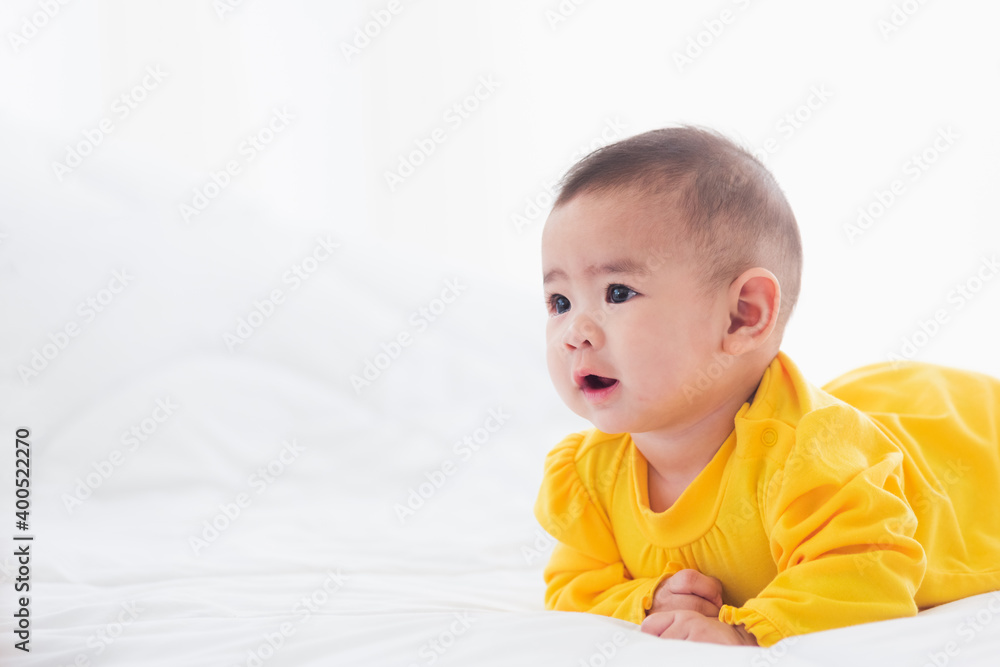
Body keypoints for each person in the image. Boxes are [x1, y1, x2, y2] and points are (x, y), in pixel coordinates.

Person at [533, 126, 1000, 647]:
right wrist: (646, 598)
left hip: (970, 445)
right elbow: (574, 585)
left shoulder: (811, 459)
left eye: (617, 292)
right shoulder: (590, 478)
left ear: (742, 316)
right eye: (559, 302)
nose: (575, 333)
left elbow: (870, 570)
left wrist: (745, 631)